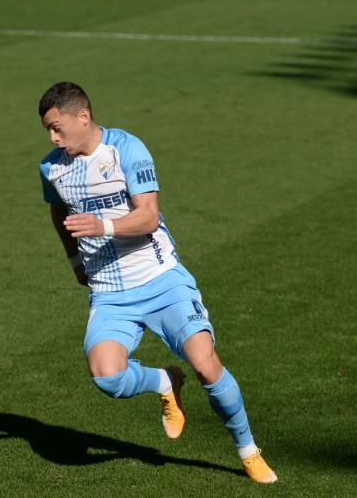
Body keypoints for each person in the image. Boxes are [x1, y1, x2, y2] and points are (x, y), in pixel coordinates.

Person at [36, 81, 276, 484]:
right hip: (110, 292)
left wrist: (102, 225)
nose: (52, 137)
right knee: (107, 377)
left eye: (57, 127)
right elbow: (57, 211)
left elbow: (148, 216)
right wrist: (75, 259)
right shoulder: (51, 167)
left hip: (160, 278)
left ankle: (248, 449)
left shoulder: (127, 149)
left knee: (206, 365)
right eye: (47, 130)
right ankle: (166, 381)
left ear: (83, 116)